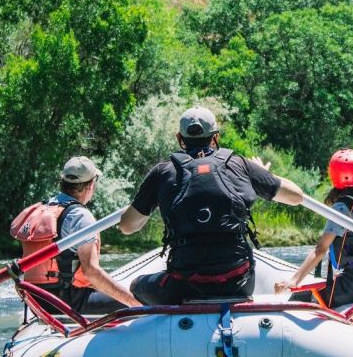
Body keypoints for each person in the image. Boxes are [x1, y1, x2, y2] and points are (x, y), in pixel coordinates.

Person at [119, 106, 304, 304]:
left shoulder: (162, 173)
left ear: (179, 138)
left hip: (183, 285)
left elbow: (127, 227)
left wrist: (152, 198)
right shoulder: (239, 165)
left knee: (136, 285)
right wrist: (261, 173)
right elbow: (296, 196)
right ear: (215, 137)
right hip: (239, 282)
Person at [11, 156, 140, 314]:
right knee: (140, 298)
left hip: (37, 301)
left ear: (63, 182)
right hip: (68, 301)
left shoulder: (45, 207)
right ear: (91, 185)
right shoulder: (81, 217)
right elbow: (91, 272)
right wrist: (133, 302)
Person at [274, 149, 353, 307]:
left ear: (335, 176)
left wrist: (293, 281)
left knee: (302, 297)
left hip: (351, 286)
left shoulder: (341, 207)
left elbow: (320, 249)